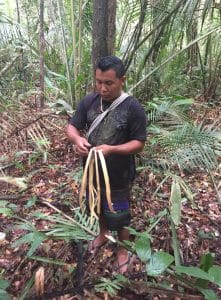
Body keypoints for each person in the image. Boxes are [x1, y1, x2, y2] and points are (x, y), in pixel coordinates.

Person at [66, 56, 147, 274]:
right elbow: (72, 127)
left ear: (122, 80)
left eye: (108, 83)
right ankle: (102, 234)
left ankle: (123, 249)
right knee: (97, 205)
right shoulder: (89, 102)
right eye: (98, 82)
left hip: (119, 175)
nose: (102, 88)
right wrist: (77, 140)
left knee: (120, 213)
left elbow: (139, 143)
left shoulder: (133, 108)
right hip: (91, 171)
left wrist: (112, 149)